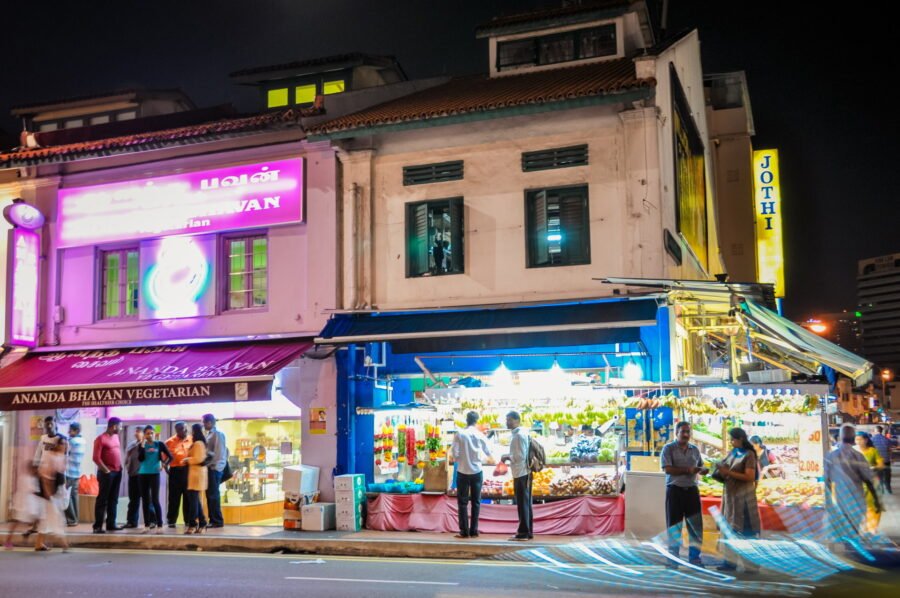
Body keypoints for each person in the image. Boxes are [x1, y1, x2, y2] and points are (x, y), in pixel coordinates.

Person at [660, 421, 708, 566]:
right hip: (675, 491)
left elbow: (700, 465)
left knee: (695, 526)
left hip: (692, 491)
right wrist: (688, 470)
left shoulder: (695, 449)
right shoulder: (668, 449)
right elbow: (667, 469)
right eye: (683, 432)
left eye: (688, 432)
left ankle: (694, 558)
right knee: (674, 526)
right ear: (676, 433)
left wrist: (702, 470)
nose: (686, 435)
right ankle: (673, 559)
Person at [824, 424, 883, 542]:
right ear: (853, 439)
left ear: (840, 437)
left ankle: (844, 553)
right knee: (854, 532)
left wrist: (829, 502)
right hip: (856, 501)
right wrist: (877, 500)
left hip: (840, 501)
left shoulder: (831, 456)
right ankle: (852, 552)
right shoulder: (858, 456)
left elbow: (827, 481)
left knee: (841, 533)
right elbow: (868, 480)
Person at [715, 428, 761, 572]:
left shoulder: (749, 455)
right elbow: (726, 470)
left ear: (740, 438)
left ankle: (750, 565)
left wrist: (728, 472)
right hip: (730, 498)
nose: (731, 441)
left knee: (746, 532)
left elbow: (750, 477)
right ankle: (730, 562)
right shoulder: (733, 452)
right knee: (730, 530)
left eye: (733, 439)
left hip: (744, 499)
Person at [450, 411, 493, 539]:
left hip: (462, 471)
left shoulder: (460, 434)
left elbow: (455, 454)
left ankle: (464, 531)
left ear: (466, 420)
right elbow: (488, 452)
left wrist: (462, 458)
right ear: (476, 421)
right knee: (476, 501)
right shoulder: (480, 435)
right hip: (477, 472)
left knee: (462, 502)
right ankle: (474, 530)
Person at [501, 411, 532, 541]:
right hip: (523, 472)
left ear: (517, 420)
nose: (507, 422)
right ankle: (528, 531)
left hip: (520, 472)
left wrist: (507, 457)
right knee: (526, 503)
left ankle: (523, 532)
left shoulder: (518, 436)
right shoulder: (522, 433)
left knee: (522, 503)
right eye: (507, 420)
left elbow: (519, 456)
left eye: (509, 420)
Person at [34, 439, 69, 552]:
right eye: (63, 444)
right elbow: (44, 475)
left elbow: (61, 475)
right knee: (56, 517)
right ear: (58, 445)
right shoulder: (51, 456)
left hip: (57, 491)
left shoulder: (62, 457)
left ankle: (39, 543)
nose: (65, 446)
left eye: (65, 444)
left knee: (47, 518)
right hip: (50, 492)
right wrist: (48, 492)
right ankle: (64, 544)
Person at [138, 425, 173, 532]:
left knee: (155, 499)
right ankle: (147, 525)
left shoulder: (159, 444)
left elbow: (170, 457)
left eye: (151, 433)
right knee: (145, 500)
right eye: (147, 433)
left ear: (154, 434)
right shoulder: (142, 445)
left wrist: (164, 465)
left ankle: (160, 525)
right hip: (143, 474)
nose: (150, 435)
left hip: (154, 474)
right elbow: (140, 459)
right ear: (144, 435)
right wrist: (143, 446)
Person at [92, 417, 123, 533]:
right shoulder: (100, 439)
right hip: (106, 473)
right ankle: (97, 526)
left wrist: (119, 468)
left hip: (117, 472)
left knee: (114, 499)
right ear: (114, 426)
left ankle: (111, 523)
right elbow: (96, 458)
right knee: (102, 500)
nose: (121, 428)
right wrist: (107, 471)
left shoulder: (116, 437)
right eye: (120, 426)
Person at [4, 462, 41, 550]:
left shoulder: (23, 477)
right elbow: (34, 490)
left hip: (24, 502)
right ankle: (36, 539)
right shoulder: (32, 479)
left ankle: (23, 536)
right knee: (37, 520)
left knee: (18, 523)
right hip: (28, 503)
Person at [854, 432, 885, 533]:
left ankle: (871, 529)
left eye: (860, 439)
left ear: (866, 440)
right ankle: (861, 528)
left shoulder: (873, 451)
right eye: (856, 439)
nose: (858, 441)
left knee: (873, 506)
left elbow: (881, 465)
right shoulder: (853, 451)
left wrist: (873, 468)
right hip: (857, 484)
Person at [165, 422, 193, 528]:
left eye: (185, 428)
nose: (183, 431)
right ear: (176, 430)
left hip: (188, 471)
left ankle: (188, 521)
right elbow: (163, 459)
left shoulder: (192, 440)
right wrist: (167, 470)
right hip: (175, 471)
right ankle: (171, 521)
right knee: (174, 498)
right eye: (180, 429)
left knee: (188, 497)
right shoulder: (169, 442)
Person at [182, 423, 209, 534]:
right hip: (195, 475)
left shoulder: (198, 443)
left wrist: (187, 459)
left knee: (193, 501)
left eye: (191, 431)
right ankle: (202, 522)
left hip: (197, 475)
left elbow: (198, 458)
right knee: (195, 501)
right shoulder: (198, 443)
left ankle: (193, 524)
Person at [202, 414, 227, 528]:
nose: (203, 425)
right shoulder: (211, 434)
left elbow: (218, 453)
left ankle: (217, 520)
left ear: (209, 422)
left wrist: (211, 465)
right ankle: (212, 519)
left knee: (213, 495)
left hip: (214, 468)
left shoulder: (217, 434)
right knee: (210, 495)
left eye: (204, 422)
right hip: (211, 468)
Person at [64, 422, 85, 526]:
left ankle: (71, 519)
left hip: (68, 473)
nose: (68, 432)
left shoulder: (71, 442)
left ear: (76, 431)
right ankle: (75, 519)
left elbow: (64, 454)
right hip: (77, 473)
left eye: (70, 430)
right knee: (74, 496)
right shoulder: (83, 441)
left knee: (65, 495)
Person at [123, 427, 144, 529]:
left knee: (147, 500)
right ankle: (131, 521)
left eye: (138, 431)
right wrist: (127, 466)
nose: (136, 433)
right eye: (136, 431)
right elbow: (127, 458)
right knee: (133, 500)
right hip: (133, 475)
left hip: (144, 476)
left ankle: (152, 521)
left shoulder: (147, 445)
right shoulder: (131, 444)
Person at [871, 425, 895, 494]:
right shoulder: (887, 439)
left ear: (875, 431)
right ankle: (888, 488)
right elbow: (890, 450)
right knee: (887, 475)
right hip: (886, 460)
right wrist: (891, 458)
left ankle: (880, 488)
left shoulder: (872, 440)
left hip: (877, 462)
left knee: (878, 475)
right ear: (881, 431)